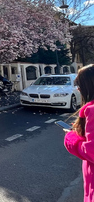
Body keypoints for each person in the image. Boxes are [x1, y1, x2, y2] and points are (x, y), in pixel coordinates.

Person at [64, 64, 94, 201]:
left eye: (79, 84)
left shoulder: (92, 110)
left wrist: (71, 138)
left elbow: (91, 151)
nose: (78, 88)